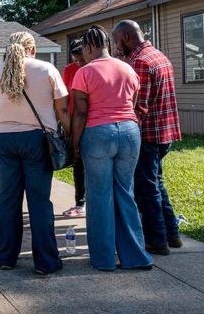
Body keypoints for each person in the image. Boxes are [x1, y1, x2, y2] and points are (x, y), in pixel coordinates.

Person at [70, 25, 153, 271]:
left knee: (99, 196)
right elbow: (134, 102)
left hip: (98, 134)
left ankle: (104, 259)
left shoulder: (84, 72)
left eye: (83, 49)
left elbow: (80, 112)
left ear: (88, 46)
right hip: (129, 132)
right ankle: (136, 256)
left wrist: (74, 143)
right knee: (125, 192)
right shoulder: (128, 68)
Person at [0, 32, 68, 275]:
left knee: (8, 199)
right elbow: (62, 107)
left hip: (3, 138)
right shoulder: (46, 69)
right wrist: (70, 135)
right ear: (32, 49)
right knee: (39, 200)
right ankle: (45, 262)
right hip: (37, 140)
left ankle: (6, 257)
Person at [112, 20, 183, 255]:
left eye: (116, 42)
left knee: (146, 189)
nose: (116, 47)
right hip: (166, 131)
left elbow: (138, 107)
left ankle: (156, 240)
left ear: (124, 37)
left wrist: (126, 132)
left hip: (148, 134)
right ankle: (172, 234)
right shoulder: (159, 56)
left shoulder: (140, 62)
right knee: (157, 184)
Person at [61, 38, 87, 218]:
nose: (79, 62)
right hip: (73, 123)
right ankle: (81, 202)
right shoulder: (69, 70)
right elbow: (64, 98)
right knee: (77, 164)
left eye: (81, 58)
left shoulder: (92, 68)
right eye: (76, 59)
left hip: (91, 122)